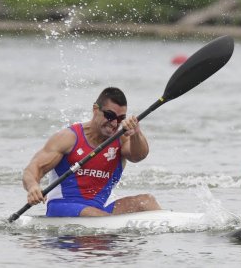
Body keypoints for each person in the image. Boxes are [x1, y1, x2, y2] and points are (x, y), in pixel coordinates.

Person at [23, 87, 161, 217]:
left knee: (147, 202)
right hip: (63, 206)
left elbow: (139, 156)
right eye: (110, 115)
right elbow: (32, 169)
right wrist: (33, 186)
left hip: (99, 210)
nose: (114, 123)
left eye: (120, 119)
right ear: (95, 109)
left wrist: (136, 133)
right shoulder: (68, 138)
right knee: (96, 216)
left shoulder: (121, 139)